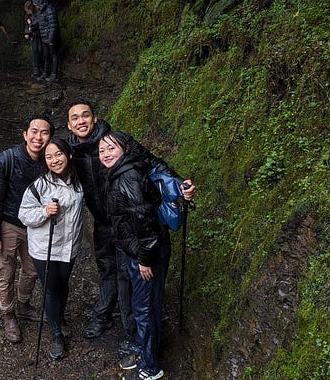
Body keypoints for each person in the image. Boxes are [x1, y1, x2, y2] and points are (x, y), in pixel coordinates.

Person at [66, 100, 196, 351]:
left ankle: (132, 331)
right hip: (102, 221)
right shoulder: (72, 151)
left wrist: (179, 184)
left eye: (85, 116)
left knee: (127, 274)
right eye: (75, 118)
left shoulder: (115, 142)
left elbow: (152, 162)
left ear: (94, 119)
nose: (81, 121)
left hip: (128, 222)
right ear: (69, 125)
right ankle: (102, 315)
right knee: (106, 268)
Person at [98, 131, 194, 380]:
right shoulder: (120, 172)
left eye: (111, 149)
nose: (106, 154)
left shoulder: (127, 178)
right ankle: (144, 349)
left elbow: (146, 223)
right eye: (102, 150)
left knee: (145, 308)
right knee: (143, 305)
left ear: (126, 150)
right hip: (137, 251)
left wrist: (144, 260)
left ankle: (150, 367)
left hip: (147, 253)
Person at [0, 114, 55, 343]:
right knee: (5, 271)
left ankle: (23, 305)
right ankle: (8, 314)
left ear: (50, 137)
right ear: (25, 134)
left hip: (37, 225)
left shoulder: (51, 160)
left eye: (44, 133)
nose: (38, 137)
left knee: (33, 269)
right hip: (9, 224)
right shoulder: (5, 161)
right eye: (34, 131)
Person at [18, 137, 84, 360]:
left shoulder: (79, 181)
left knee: (63, 285)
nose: (54, 160)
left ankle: (59, 317)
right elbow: (23, 214)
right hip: (44, 247)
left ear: (68, 155)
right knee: (51, 288)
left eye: (58, 154)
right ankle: (56, 333)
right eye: (49, 157)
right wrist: (45, 211)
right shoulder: (40, 186)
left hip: (69, 245)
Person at [31, 0, 60, 82]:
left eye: (37, 5)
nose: (36, 7)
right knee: (46, 56)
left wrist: (51, 39)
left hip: (51, 38)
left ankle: (54, 75)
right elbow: (38, 22)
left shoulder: (50, 10)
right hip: (44, 38)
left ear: (41, 4)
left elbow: (53, 26)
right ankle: (45, 73)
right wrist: (32, 25)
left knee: (54, 56)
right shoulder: (40, 11)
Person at [23, 0, 44, 78]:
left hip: (40, 35)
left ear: (31, 8)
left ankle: (42, 68)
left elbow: (37, 24)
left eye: (28, 10)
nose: (27, 12)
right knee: (35, 52)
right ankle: (36, 70)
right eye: (26, 11)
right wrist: (26, 33)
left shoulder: (37, 14)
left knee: (41, 51)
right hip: (33, 36)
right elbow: (26, 25)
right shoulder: (28, 16)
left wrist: (30, 24)